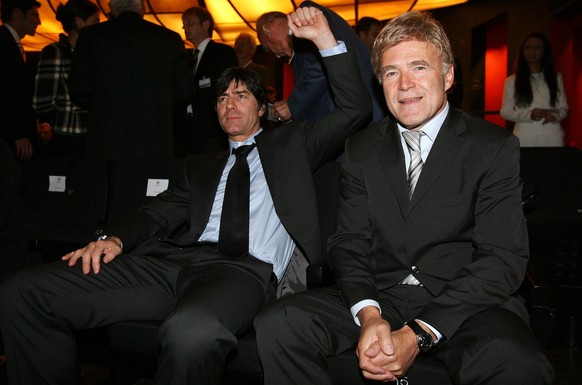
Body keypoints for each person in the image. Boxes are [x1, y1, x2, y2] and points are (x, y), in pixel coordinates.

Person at [0, 6, 371, 385]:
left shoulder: (295, 146)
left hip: (243, 271)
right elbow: (159, 212)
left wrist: (326, 40)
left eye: (241, 95)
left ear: (262, 108)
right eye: (222, 97)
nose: (229, 103)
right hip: (172, 264)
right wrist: (114, 239)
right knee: (24, 291)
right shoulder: (202, 165)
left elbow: (354, 108)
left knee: (191, 332)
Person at [255, 11, 554, 385]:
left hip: (465, 302)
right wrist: (369, 314)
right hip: (381, 295)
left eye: (419, 67)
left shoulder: (492, 147)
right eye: (391, 72)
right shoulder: (362, 148)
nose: (405, 85)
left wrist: (418, 333)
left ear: (448, 76)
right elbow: (349, 242)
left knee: (516, 363)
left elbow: (502, 257)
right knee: (280, 323)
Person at [67, 0, 192, 160]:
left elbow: (78, 88)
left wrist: (105, 106)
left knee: (109, 184)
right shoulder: (169, 39)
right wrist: (157, 107)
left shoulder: (90, 37)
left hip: (106, 139)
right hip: (154, 139)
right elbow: (184, 90)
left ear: (111, 8)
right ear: (143, 8)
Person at [257, 0, 385, 124]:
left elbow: (325, 64)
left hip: (364, 122)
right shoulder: (299, 51)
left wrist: (292, 104)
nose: (277, 56)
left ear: (268, 31)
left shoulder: (307, 15)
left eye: (267, 47)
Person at [33, 0, 100, 158]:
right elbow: (42, 100)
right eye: (95, 21)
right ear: (79, 22)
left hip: (90, 135)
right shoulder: (56, 52)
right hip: (66, 136)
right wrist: (57, 120)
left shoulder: (92, 53)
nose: (99, 26)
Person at [179, 6, 238, 155]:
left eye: (190, 23)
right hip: (188, 130)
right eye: (184, 24)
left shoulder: (222, 52)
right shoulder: (186, 57)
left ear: (205, 25)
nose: (185, 27)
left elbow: (227, 86)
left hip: (212, 129)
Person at [501, 32, 568, 147]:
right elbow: (505, 112)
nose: (532, 51)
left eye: (537, 47)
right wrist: (529, 114)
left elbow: (564, 108)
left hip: (552, 135)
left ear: (544, 51)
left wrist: (555, 116)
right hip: (524, 136)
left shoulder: (556, 78)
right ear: (523, 51)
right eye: (528, 47)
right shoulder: (512, 81)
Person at [0, 0, 41, 161]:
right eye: (34, 15)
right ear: (17, 14)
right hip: (9, 137)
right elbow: (4, 93)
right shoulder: (4, 44)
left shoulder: (10, 43)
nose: (39, 21)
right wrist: (16, 133)